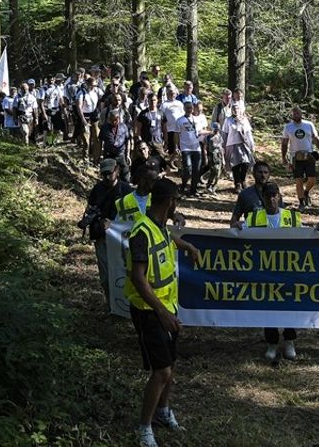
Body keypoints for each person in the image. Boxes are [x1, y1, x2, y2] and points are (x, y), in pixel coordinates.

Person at [126, 178, 200, 447]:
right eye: (176, 201)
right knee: (161, 372)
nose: (176, 206)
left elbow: (168, 239)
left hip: (167, 306)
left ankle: (162, 411)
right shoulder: (141, 231)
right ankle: (144, 427)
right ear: (169, 202)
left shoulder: (158, 226)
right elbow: (138, 277)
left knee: (171, 366)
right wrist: (162, 313)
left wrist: (188, 246)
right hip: (150, 310)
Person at [235, 161, 301, 361]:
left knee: (290, 305)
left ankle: (289, 341)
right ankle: (272, 343)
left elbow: (306, 240)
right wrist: (236, 227)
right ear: (263, 199)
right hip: (264, 270)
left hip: (289, 269)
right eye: (268, 196)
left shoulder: (292, 217)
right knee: (268, 307)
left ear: (279, 197)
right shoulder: (254, 218)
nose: (271, 199)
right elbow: (241, 236)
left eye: (275, 196)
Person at [80, 158, 134, 304]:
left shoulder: (126, 190)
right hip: (102, 237)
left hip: (122, 238)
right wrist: (97, 221)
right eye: (104, 174)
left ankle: (126, 305)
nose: (107, 177)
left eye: (110, 173)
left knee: (124, 273)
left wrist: (115, 223)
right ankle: (113, 305)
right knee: (105, 276)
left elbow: (134, 216)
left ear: (117, 170)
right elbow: (91, 210)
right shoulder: (97, 189)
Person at [280, 106, 319, 208]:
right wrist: (284, 157)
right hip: (295, 157)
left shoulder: (309, 125)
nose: (296, 115)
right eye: (294, 114)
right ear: (291, 115)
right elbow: (284, 143)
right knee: (298, 180)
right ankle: (301, 203)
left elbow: (316, 138)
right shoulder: (288, 127)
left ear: (301, 114)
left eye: (298, 113)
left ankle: (306, 192)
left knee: (312, 180)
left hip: (309, 156)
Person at [174, 101, 207, 196]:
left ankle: (193, 189)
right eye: (187, 108)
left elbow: (200, 131)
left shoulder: (196, 120)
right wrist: (176, 146)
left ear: (193, 109)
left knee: (197, 170)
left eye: (190, 108)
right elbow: (176, 134)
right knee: (188, 168)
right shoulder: (179, 120)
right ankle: (183, 186)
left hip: (196, 147)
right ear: (184, 109)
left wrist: (211, 132)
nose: (189, 110)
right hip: (185, 147)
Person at [222, 103, 255, 192]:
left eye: (237, 109)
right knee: (235, 164)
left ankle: (243, 179)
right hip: (232, 144)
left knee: (245, 163)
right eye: (234, 109)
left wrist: (252, 144)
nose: (236, 111)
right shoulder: (228, 120)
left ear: (240, 110)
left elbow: (248, 133)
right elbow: (224, 134)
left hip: (244, 144)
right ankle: (237, 183)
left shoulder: (244, 120)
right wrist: (223, 146)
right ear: (232, 110)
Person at [159, 88, 185, 158]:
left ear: (176, 94)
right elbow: (161, 117)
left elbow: (183, 115)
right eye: (170, 93)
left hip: (180, 129)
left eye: (173, 93)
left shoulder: (179, 103)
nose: (172, 95)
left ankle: (178, 162)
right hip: (169, 129)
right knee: (171, 148)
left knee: (179, 147)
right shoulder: (164, 104)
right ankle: (171, 163)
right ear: (167, 94)